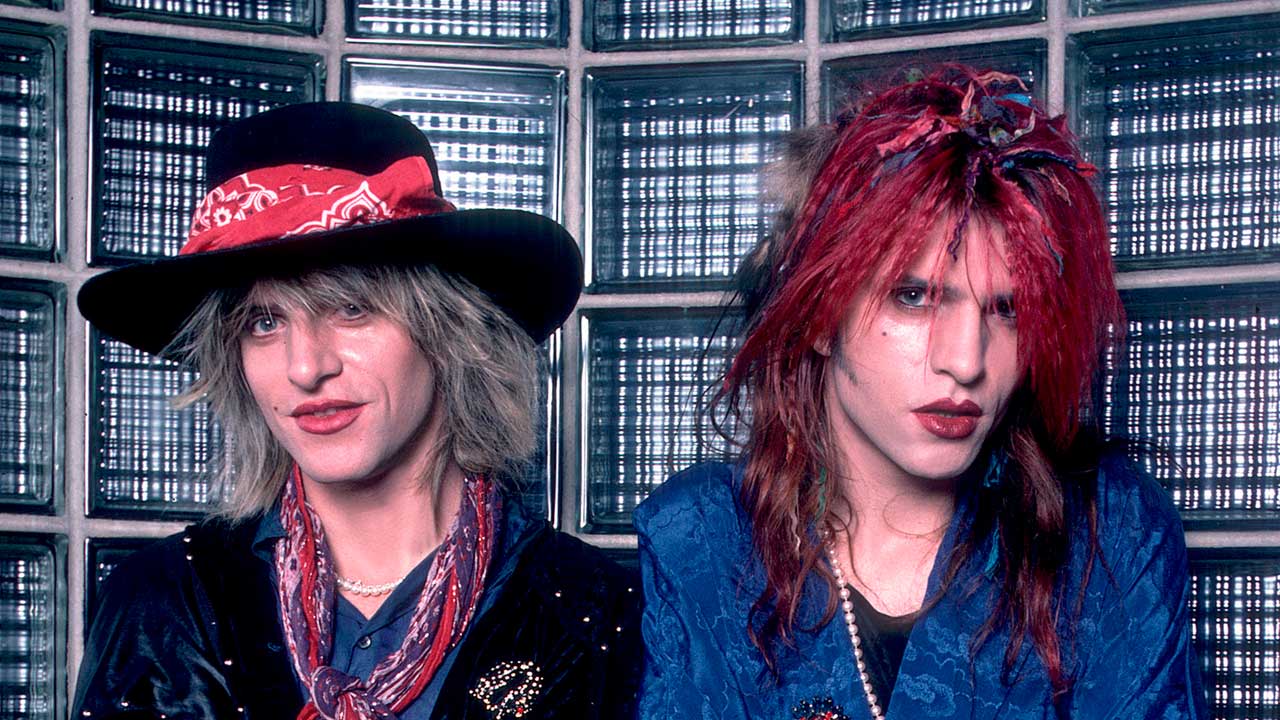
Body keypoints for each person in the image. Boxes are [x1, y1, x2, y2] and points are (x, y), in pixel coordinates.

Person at [634, 67, 1207, 719]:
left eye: (1008, 310)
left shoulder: (1107, 529)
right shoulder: (701, 535)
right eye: (914, 297)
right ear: (820, 313)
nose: (965, 362)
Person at [73, 102, 641, 720]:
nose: (305, 367)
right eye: (264, 323)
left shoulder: (595, 610)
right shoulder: (163, 601)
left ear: (447, 331)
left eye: (352, 309)